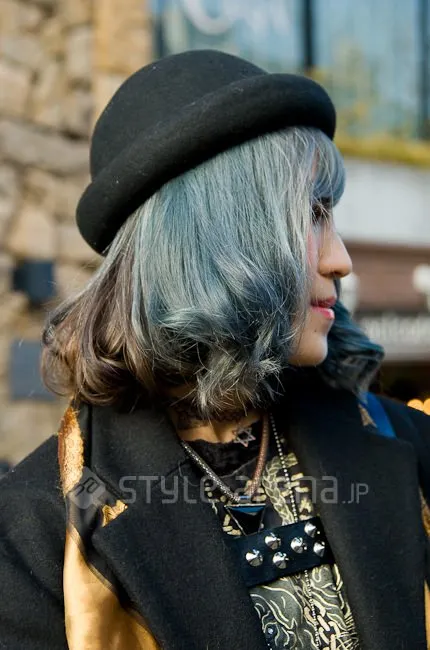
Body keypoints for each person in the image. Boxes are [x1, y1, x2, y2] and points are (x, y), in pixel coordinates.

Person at [0, 49, 429, 650]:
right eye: (312, 215)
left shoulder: (410, 446)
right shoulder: (36, 535)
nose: (342, 260)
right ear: (214, 237)